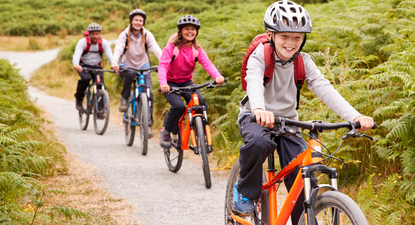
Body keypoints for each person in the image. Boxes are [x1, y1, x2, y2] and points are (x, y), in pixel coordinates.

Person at [235, 0, 374, 224]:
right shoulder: (259, 56)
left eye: (297, 37)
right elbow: (253, 81)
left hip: (288, 123)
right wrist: (259, 109)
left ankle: (306, 218)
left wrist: (354, 117)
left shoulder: (303, 61)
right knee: (258, 144)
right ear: (270, 34)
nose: (291, 43)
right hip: (255, 116)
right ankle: (243, 191)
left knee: (302, 171)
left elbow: (325, 89)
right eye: (284, 36)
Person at [158, 15, 225, 149]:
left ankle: (201, 134)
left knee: (200, 103)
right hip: (170, 82)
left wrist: (218, 76)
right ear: (180, 31)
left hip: (186, 82)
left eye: (193, 29)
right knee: (178, 106)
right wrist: (163, 83)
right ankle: (166, 131)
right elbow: (163, 65)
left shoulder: (197, 49)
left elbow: (207, 63)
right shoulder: (171, 48)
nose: (190, 32)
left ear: (197, 32)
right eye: (187, 29)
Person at [112, 9, 162, 137]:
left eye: (140, 20)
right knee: (129, 74)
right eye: (136, 20)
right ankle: (124, 97)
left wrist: (164, 62)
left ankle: (148, 125)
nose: (138, 22)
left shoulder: (147, 35)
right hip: (127, 65)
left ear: (143, 22)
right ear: (131, 21)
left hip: (143, 65)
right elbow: (118, 48)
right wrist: (114, 62)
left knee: (148, 94)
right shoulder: (125, 34)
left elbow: (155, 48)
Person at [73, 23, 113, 115]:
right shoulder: (82, 42)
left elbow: (110, 56)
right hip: (84, 66)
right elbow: (77, 54)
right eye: (93, 34)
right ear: (89, 34)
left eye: (97, 34)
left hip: (96, 66)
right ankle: (79, 99)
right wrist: (76, 64)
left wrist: (115, 65)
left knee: (101, 85)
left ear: (100, 34)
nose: (95, 36)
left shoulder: (104, 43)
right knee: (85, 79)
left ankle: (100, 109)